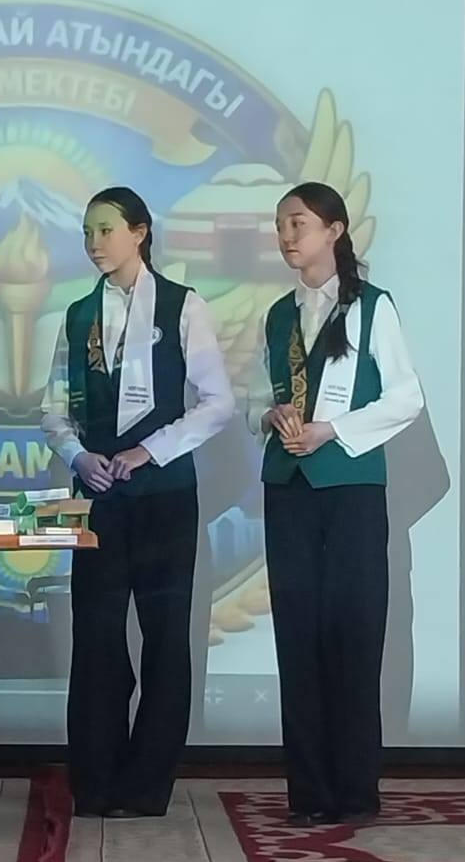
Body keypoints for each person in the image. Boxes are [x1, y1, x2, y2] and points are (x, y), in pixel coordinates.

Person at [42, 186, 234, 818]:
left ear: (140, 232)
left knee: (165, 639)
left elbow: (217, 402)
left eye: (106, 230)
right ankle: (95, 781)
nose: (94, 243)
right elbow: (53, 409)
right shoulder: (78, 315)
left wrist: (152, 449)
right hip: (99, 497)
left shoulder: (182, 305)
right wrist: (78, 456)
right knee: (97, 637)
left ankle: (148, 784)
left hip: (165, 495)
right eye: (87, 232)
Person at [254, 181, 423, 825]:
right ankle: (308, 791)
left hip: (351, 488)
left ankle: (354, 787)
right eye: (280, 225)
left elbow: (405, 398)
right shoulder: (279, 314)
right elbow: (259, 396)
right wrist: (270, 416)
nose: (286, 236)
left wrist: (332, 431)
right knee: (296, 634)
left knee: (353, 632)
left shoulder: (372, 307)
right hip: (288, 488)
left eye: (298, 223)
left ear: (335, 230)